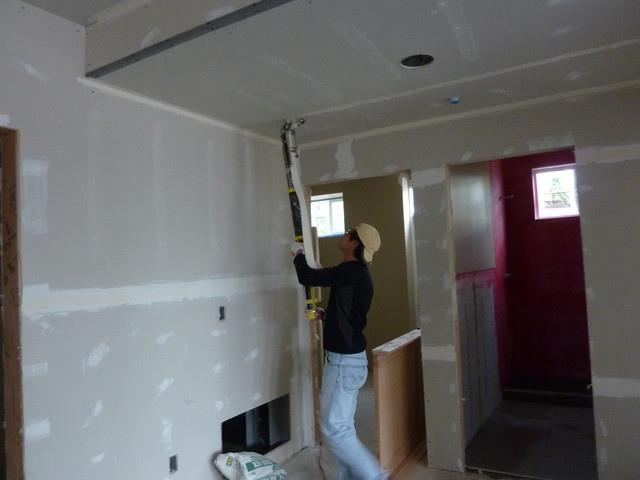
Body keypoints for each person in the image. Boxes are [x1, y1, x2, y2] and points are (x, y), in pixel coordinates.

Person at [292, 223, 387, 480]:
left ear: (355, 243)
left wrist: (298, 253)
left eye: (348, 232)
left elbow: (307, 277)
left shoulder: (350, 271)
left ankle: (376, 477)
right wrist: (326, 314)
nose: (344, 234)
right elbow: (349, 313)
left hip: (344, 362)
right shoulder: (357, 273)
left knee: (335, 429)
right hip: (351, 360)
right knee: (343, 426)